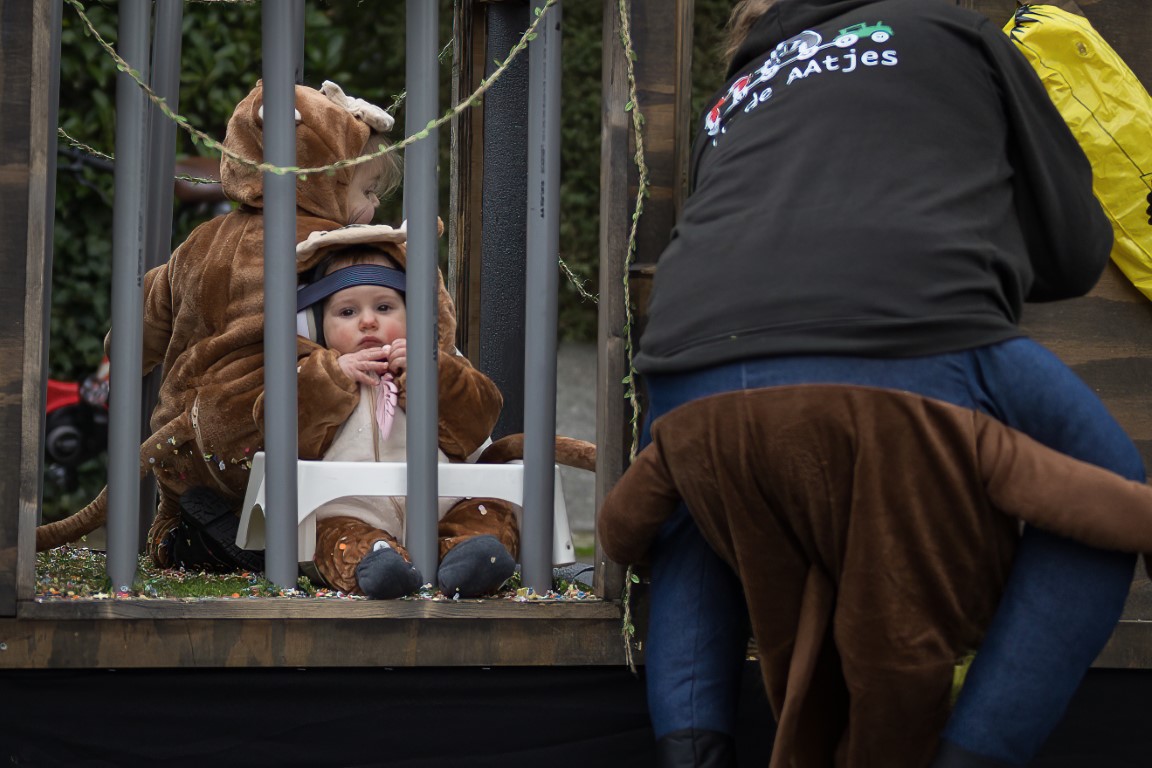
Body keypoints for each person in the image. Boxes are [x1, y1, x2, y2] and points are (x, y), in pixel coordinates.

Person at [629, 1, 1145, 766]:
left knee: (688, 516)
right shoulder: (957, 32)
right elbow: (1071, 251)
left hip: (687, 365)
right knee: (1108, 498)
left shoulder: (732, 94)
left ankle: (691, 756)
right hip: (909, 336)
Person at [598, 385, 1152, 768]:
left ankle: (691, 754)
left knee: (687, 494)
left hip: (707, 381)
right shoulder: (953, 391)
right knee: (1103, 468)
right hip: (907, 379)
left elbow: (620, 537)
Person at [35, 80, 403, 569]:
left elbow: (144, 321)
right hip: (262, 426)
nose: (374, 206)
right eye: (368, 191)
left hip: (177, 433)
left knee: (179, 506)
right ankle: (311, 538)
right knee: (319, 465)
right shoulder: (330, 247)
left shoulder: (199, 240)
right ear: (322, 180)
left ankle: (175, 536)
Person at [274, 229, 518, 598]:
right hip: (350, 516)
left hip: (445, 508)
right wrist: (332, 378)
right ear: (315, 324)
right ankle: (379, 564)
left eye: (384, 308)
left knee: (484, 515)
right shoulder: (309, 374)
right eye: (347, 312)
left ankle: (468, 558)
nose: (367, 321)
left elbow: (478, 421)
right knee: (340, 540)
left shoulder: (442, 364)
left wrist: (432, 375)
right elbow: (284, 432)